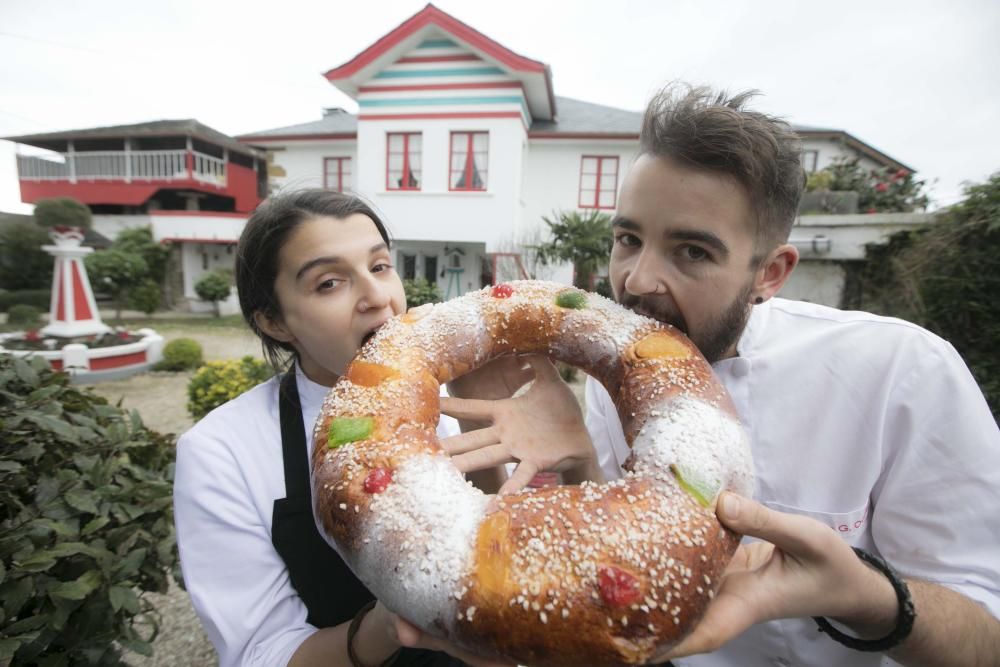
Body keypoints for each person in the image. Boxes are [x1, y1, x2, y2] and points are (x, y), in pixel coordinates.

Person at [440, 85, 1000, 666]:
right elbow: (620, 570)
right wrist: (580, 463)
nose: (636, 281)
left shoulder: (903, 372)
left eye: (692, 253)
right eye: (628, 239)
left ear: (771, 273)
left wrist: (868, 598)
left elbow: (986, 636)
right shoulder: (618, 381)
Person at [173, 190, 513, 667]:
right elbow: (261, 653)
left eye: (379, 266)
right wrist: (386, 627)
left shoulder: (452, 397)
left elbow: (504, 557)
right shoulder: (221, 451)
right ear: (274, 321)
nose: (378, 298)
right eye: (330, 283)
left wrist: (485, 416)